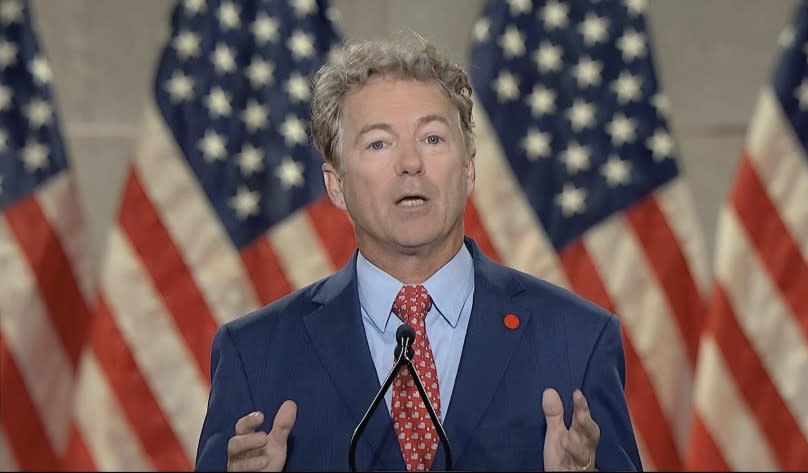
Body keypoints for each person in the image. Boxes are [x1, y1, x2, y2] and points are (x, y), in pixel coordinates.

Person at [195, 35, 642, 472]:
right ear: (336, 185)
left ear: (468, 170)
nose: (411, 163)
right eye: (378, 143)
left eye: (431, 138)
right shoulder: (253, 354)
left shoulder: (577, 341)